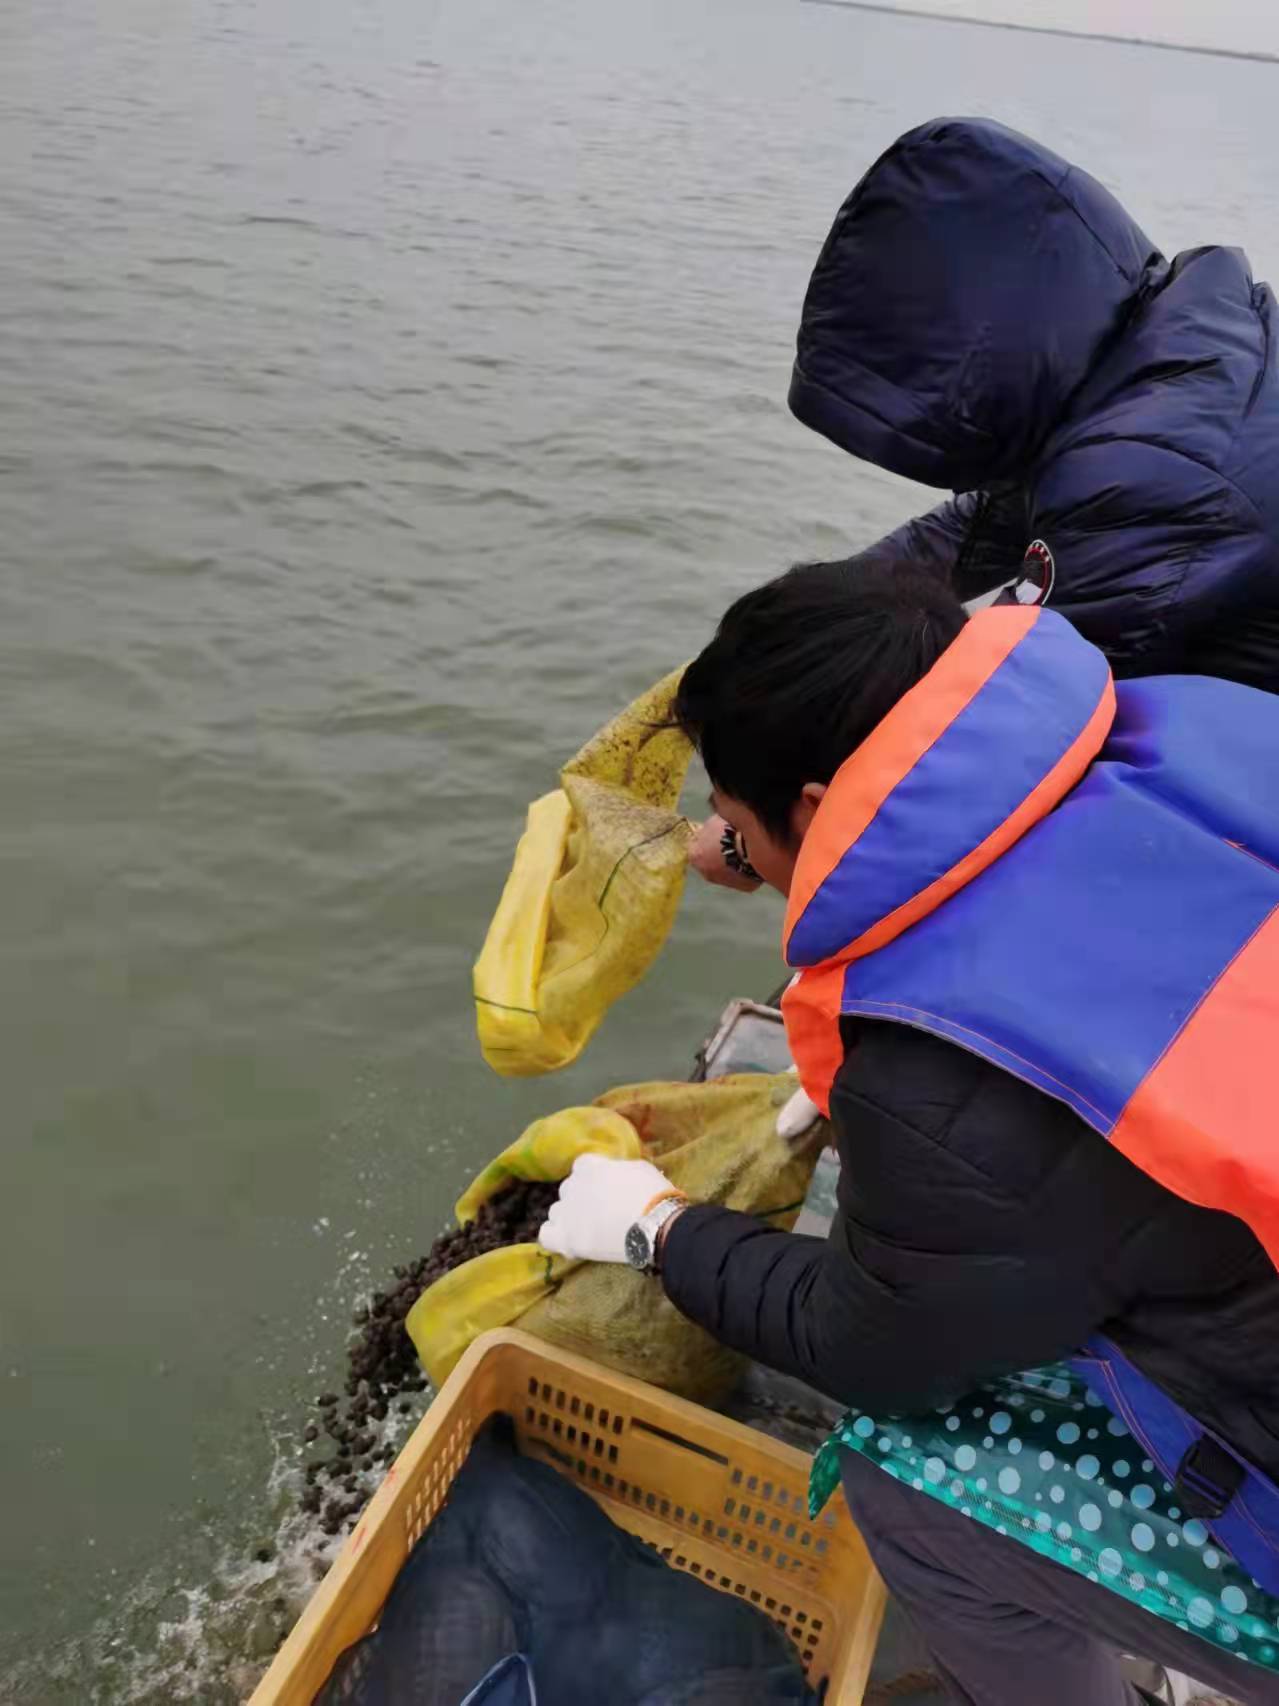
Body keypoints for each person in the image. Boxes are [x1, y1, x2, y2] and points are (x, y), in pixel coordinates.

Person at [539, 561, 1279, 1706]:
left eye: (737, 826)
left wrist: (658, 1227)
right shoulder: (1196, 720)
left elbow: (868, 1342)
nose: (737, 854)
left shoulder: (938, 1092)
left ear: (813, 806)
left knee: (907, 1482)